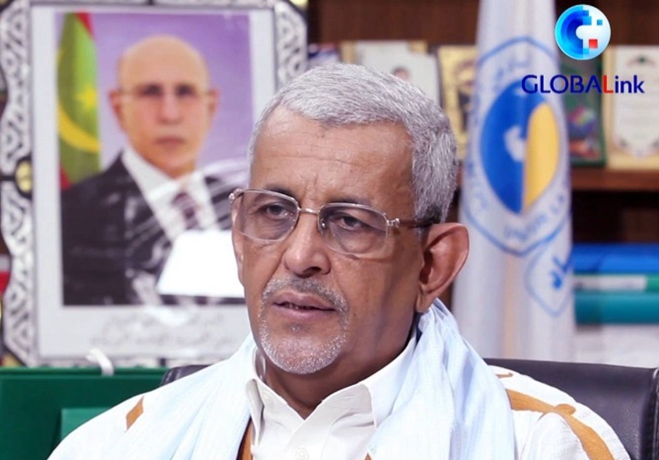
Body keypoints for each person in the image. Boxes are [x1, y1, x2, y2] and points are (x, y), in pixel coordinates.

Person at [49, 64, 628, 460]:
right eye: (274, 212)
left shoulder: (542, 444)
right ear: (239, 239)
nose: (300, 256)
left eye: (351, 222)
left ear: (433, 265)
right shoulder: (122, 444)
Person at [61, 35, 238, 306]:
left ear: (211, 107)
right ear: (118, 108)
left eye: (185, 92)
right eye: (150, 92)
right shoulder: (72, 215)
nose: (170, 114)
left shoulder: (244, 207)